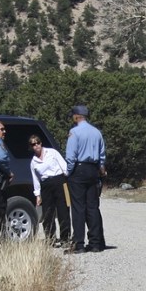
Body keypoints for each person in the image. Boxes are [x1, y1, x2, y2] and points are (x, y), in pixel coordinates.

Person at [64, 104, 106, 253]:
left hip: (79, 169)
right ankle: (95, 243)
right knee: (93, 207)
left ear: (76, 116)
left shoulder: (74, 132)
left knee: (78, 208)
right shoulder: (97, 132)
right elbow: (102, 156)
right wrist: (101, 170)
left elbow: (71, 156)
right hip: (93, 170)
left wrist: (68, 172)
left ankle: (79, 244)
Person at [29, 133, 71, 247]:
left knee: (63, 210)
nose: (36, 145)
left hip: (59, 181)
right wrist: (37, 195)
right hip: (45, 184)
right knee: (48, 213)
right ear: (31, 146)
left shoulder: (52, 152)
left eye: (38, 142)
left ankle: (65, 238)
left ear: (41, 143)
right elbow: (36, 179)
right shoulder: (33, 162)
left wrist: (68, 178)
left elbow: (64, 166)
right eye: (33, 144)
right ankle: (50, 238)